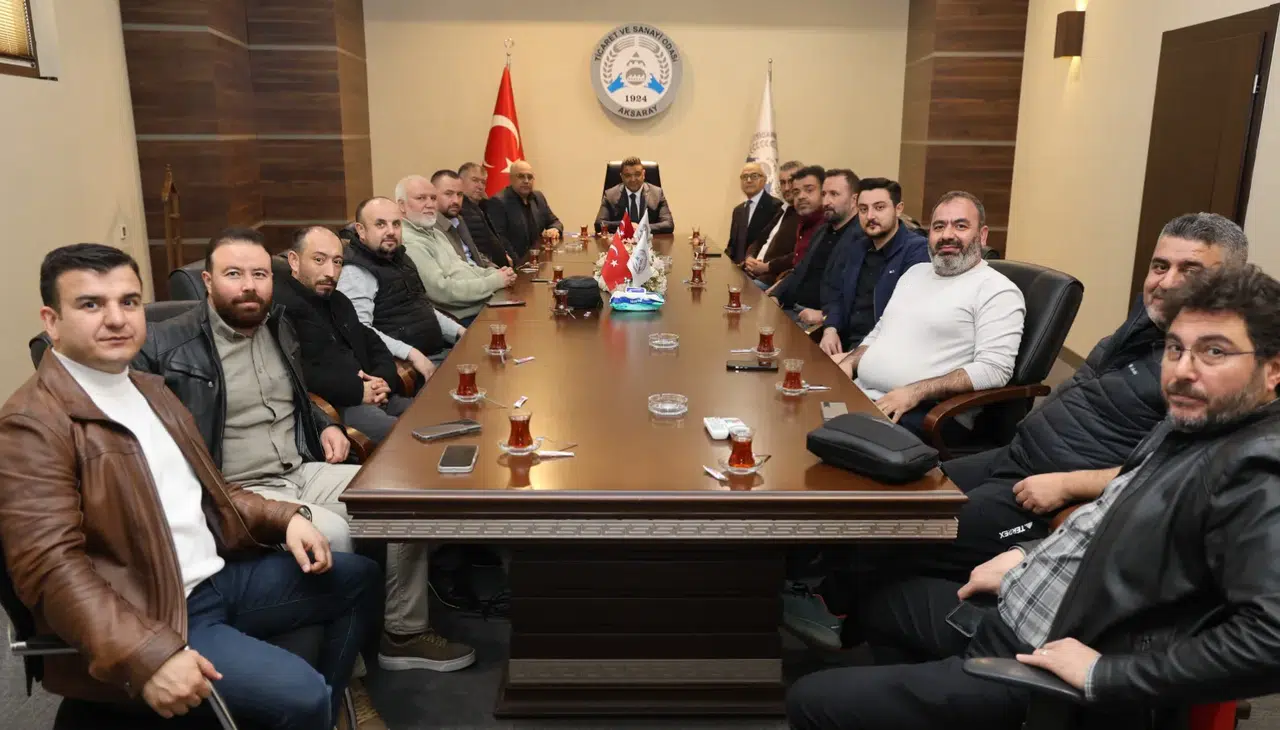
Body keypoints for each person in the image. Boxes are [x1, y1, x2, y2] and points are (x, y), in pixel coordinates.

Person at [786, 264, 1280, 730]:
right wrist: (1025, 556)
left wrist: (1105, 675)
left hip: (1037, 668)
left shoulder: (1256, 468)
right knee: (882, 602)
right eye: (1175, 348)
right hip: (1013, 609)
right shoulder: (1188, 426)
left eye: (1214, 352)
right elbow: (1112, 524)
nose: (1183, 370)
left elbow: (1271, 639)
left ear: (1273, 370)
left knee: (809, 698)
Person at [0, 243, 382, 730]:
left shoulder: (148, 388)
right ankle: (313, 710)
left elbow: (211, 490)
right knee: (302, 695)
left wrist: (286, 518)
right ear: (51, 322)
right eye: (91, 304)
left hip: (215, 578)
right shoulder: (32, 423)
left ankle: (320, 714)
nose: (116, 319)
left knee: (360, 578)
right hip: (156, 612)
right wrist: (145, 653)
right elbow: (51, 569)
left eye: (129, 302)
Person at [136, 229, 477, 676]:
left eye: (259, 275)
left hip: (301, 468)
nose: (248, 286)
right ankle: (344, 671)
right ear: (207, 281)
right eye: (233, 274)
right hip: (239, 489)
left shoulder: (277, 325)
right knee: (334, 533)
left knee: (403, 498)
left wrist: (326, 424)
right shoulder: (167, 346)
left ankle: (403, 633)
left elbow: (298, 394)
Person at [274, 225, 414, 445]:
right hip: (334, 409)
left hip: (375, 395)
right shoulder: (281, 309)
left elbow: (373, 343)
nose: (330, 272)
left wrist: (382, 380)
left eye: (337, 262)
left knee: (431, 414)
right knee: (408, 437)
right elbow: (295, 372)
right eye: (319, 260)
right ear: (294, 261)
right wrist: (358, 391)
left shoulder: (339, 301)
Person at [337, 196, 465, 374]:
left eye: (396, 224)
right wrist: (411, 354)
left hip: (437, 351)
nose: (391, 231)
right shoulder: (355, 271)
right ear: (361, 230)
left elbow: (422, 308)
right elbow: (360, 329)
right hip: (408, 367)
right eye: (380, 224)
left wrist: (461, 333)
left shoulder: (400, 257)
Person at [819, 178, 929, 357]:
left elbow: (905, 320)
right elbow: (837, 296)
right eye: (863, 209)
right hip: (845, 345)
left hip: (884, 353)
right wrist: (830, 328)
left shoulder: (917, 250)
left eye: (879, 207)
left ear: (898, 209)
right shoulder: (856, 247)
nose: (870, 216)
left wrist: (853, 358)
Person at [397, 172, 516, 326]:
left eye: (433, 198)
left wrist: (496, 273)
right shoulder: (410, 242)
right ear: (402, 205)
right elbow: (442, 291)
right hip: (461, 319)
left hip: (480, 304)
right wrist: (495, 281)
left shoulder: (435, 233)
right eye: (421, 198)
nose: (430, 204)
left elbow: (465, 266)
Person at [768, 167, 859, 326]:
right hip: (792, 308)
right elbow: (800, 270)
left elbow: (857, 295)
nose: (826, 202)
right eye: (824, 194)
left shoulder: (861, 238)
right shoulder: (822, 230)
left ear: (854, 200)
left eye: (834, 194)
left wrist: (825, 316)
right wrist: (776, 295)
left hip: (819, 321)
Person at [742, 160, 804, 288]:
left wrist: (767, 267)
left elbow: (799, 254)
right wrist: (749, 257)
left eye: (790, 182)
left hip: (771, 280)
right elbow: (759, 240)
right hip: (752, 272)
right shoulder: (783, 209)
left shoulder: (805, 214)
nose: (786, 188)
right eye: (782, 183)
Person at [487, 160, 563, 259]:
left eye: (530, 177)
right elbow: (500, 240)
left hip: (538, 259)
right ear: (511, 178)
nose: (526, 181)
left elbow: (555, 222)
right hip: (515, 262)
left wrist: (554, 229)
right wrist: (519, 263)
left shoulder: (538, 197)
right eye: (521, 176)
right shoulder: (499, 202)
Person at [595, 156, 674, 234]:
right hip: (621, 241)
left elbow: (668, 224)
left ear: (643, 174)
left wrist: (641, 227)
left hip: (649, 241)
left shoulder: (657, 193)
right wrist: (626, 225)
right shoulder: (610, 195)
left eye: (637, 174)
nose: (633, 179)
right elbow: (599, 224)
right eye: (628, 175)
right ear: (621, 177)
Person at [458, 161, 516, 267]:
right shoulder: (461, 210)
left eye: (483, 182)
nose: (480, 186)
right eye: (475, 180)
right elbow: (476, 251)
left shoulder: (483, 206)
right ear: (460, 181)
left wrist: (504, 253)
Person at [727, 162, 782, 263]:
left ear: (764, 180)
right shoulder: (738, 210)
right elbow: (732, 246)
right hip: (735, 268)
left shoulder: (776, 207)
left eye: (754, 176)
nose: (748, 180)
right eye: (745, 177)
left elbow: (774, 246)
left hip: (758, 267)